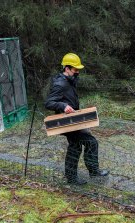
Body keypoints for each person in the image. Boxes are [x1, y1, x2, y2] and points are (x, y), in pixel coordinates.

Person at [45, 53, 109, 185]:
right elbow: (49, 102)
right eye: (75, 69)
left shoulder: (69, 80)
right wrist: (63, 106)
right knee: (89, 143)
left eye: (78, 69)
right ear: (67, 68)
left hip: (74, 120)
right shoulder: (60, 83)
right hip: (66, 122)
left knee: (76, 146)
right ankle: (89, 172)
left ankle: (76, 176)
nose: (77, 72)